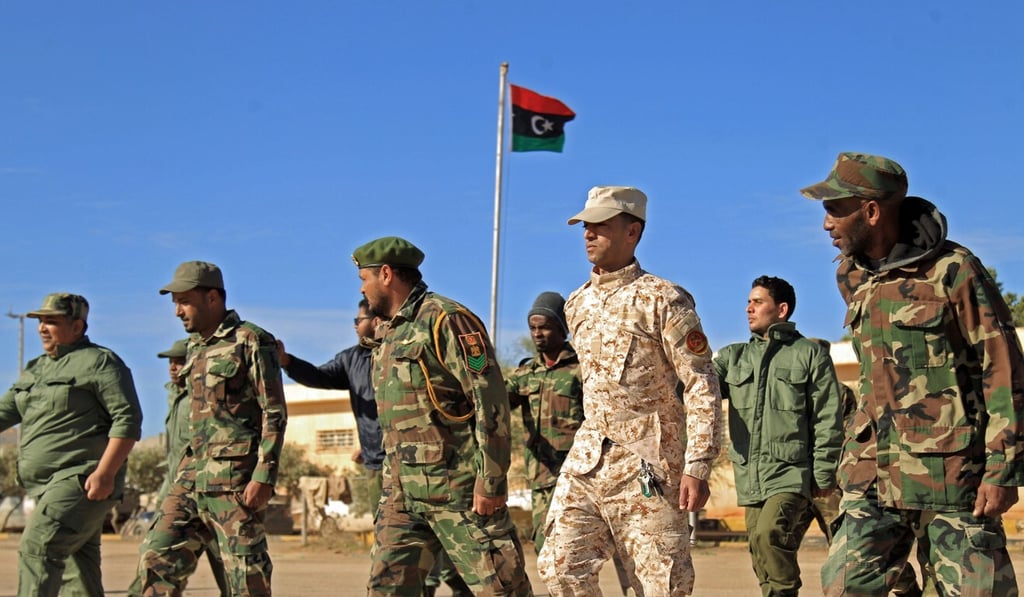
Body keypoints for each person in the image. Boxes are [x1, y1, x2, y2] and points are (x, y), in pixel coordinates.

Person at [801, 152, 1024, 595]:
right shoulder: (850, 276)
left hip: (951, 475)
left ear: (870, 210)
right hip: (872, 474)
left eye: (834, 209)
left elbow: (1002, 366)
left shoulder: (954, 271)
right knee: (846, 586)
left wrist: (1003, 469)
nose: (826, 223)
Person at [537, 186, 724, 596]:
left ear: (632, 231)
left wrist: (698, 463)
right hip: (589, 459)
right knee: (558, 567)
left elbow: (701, 383)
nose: (589, 233)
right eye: (586, 226)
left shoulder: (664, 299)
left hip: (650, 463)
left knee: (659, 584)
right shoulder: (576, 304)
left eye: (601, 225)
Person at [351, 236, 532, 596]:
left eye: (364, 279)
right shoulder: (389, 332)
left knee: (501, 588)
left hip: (457, 489)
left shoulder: (446, 320)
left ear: (386, 274)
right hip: (402, 494)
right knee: (386, 589)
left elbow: (489, 400)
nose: (363, 288)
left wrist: (491, 480)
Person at [142, 260, 288, 596]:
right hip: (192, 477)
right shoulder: (195, 347)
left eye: (184, 302)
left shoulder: (250, 340)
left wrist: (264, 475)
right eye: (174, 303)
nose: (178, 311)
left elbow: (274, 412)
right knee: (157, 558)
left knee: (245, 578)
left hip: (235, 481)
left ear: (212, 298)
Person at [0, 292, 143, 596]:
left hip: (81, 480)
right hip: (44, 486)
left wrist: (105, 473)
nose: (42, 327)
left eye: (51, 321)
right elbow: (4, 412)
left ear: (77, 327)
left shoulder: (100, 362)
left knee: (39, 548)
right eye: (40, 321)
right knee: (79, 573)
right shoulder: (37, 368)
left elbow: (128, 420)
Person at [713, 276, 843, 596]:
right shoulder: (732, 358)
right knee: (759, 547)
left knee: (771, 534)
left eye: (757, 302)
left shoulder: (809, 354)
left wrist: (824, 472)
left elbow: (828, 417)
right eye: (748, 301)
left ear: (781, 309)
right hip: (749, 473)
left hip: (790, 470)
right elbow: (697, 388)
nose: (748, 308)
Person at [128, 339, 228, 596]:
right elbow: (174, 455)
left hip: (208, 494)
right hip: (178, 492)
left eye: (180, 360)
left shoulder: (202, 397)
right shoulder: (176, 398)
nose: (174, 367)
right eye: (171, 362)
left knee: (229, 568)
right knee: (159, 563)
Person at [278, 299, 385, 514]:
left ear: (376, 321)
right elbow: (320, 376)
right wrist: (287, 361)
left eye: (358, 319)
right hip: (376, 463)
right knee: (386, 526)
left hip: (411, 460)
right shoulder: (351, 359)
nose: (355, 325)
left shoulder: (403, 352)